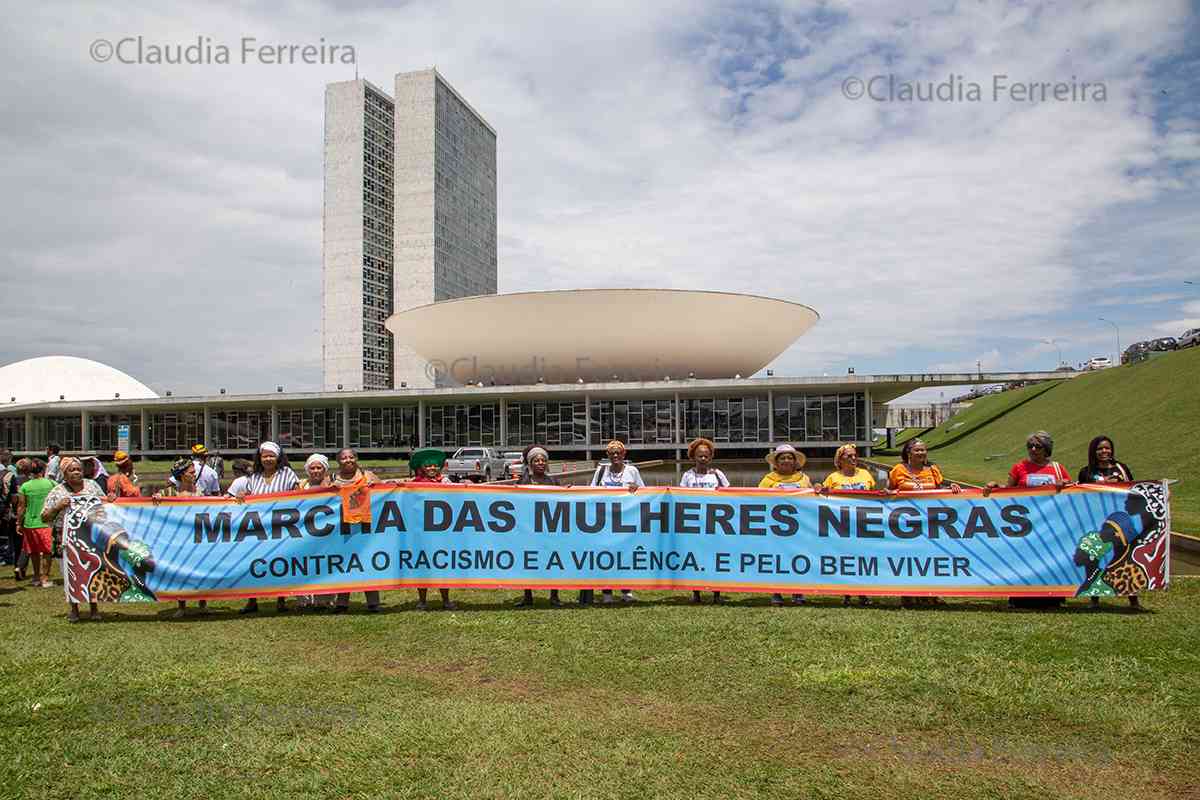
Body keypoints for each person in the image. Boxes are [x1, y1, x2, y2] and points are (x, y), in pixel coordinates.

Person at [985, 431, 1071, 609]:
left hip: (1050, 524)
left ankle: (1053, 597)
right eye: (1030, 446)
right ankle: (1020, 597)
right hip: (1023, 524)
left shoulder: (1057, 468)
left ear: (1046, 448)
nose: (1033, 449)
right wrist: (995, 487)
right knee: (1023, 558)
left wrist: (1064, 486)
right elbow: (1008, 491)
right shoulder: (1019, 467)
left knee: (1050, 558)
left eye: (1037, 446)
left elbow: (1072, 492)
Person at [235, 442, 300, 615]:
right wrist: (243, 496)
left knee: (281, 561)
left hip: (281, 526)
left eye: (272, 456)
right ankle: (252, 600)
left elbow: (298, 494)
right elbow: (248, 497)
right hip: (258, 527)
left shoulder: (287, 473)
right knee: (254, 561)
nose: (268, 459)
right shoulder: (254, 477)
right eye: (265, 456)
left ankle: (281, 599)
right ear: (260, 458)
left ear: (278, 457)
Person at [40, 457, 106, 621]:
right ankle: (74, 609)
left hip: (90, 537)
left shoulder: (92, 486)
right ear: (64, 474)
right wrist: (58, 506)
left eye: (78, 469)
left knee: (92, 571)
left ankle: (94, 609)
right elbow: (44, 516)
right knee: (70, 574)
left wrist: (110, 499)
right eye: (72, 470)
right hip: (66, 539)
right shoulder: (58, 492)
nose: (76, 472)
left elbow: (105, 505)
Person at [1076, 436, 1138, 609]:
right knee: (1095, 557)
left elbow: (1133, 490)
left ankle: (1133, 599)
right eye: (1100, 449)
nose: (1104, 451)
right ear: (1093, 452)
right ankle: (1095, 599)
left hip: (1120, 519)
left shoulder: (1121, 469)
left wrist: (1160, 494)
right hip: (1095, 520)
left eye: (1107, 448)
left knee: (1125, 556)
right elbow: (1079, 494)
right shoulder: (1086, 472)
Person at [820, 444, 877, 607]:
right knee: (845, 558)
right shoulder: (833, 478)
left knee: (863, 558)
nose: (853, 458)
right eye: (848, 456)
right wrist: (818, 488)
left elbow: (875, 494)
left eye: (855, 455)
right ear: (840, 459)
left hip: (863, 523)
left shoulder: (866, 474)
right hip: (842, 525)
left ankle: (864, 593)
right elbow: (822, 495)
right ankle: (846, 592)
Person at [590, 440, 644, 605]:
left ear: (623, 454)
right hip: (605, 520)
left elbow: (644, 491)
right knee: (606, 556)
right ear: (607, 455)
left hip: (626, 520)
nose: (615, 456)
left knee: (625, 556)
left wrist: (636, 489)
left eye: (618, 453)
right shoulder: (601, 471)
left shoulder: (632, 470)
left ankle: (626, 591)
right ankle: (607, 592)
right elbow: (590, 491)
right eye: (612, 453)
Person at [153, 459, 208, 617]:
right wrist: (156, 498)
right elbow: (155, 501)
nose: (194, 474)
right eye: (191, 472)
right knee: (181, 571)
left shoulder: (199, 492)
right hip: (178, 540)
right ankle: (182, 605)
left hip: (197, 537)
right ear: (182, 475)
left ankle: (202, 603)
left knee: (200, 569)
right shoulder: (169, 493)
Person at [759, 444, 811, 606]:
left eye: (790, 457)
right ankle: (776, 592)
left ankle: (798, 592)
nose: (786, 460)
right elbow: (757, 499)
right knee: (777, 559)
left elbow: (812, 501)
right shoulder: (768, 480)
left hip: (800, 528)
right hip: (776, 529)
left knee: (799, 558)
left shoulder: (804, 479)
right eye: (782, 458)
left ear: (795, 461)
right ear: (776, 462)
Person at [331, 449, 382, 614]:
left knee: (367, 562)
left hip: (365, 526)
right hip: (343, 528)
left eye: (351, 457)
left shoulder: (368, 476)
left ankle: (373, 602)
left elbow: (385, 493)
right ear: (338, 461)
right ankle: (342, 603)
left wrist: (373, 487)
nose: (348, 460)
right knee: (345, 564)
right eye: (344, 458)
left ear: (356, 458)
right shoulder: (332, 479)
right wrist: (332, 490)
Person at [680, 438, 728, 604]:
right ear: (693, 457)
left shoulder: (717, 474)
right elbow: (681, 497)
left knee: (715, 558)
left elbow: (730, 495)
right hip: (694, 524)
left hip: (715, 524)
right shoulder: (687, 476)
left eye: (706, 456)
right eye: (699, 456)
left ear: (710, 457)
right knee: (695, 558)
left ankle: (717, 593)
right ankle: (696, 593)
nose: (703, 459)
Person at [407, 448, 455, 611]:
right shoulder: (413, 485)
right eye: (428, 466)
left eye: (435, 466)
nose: (432, 469)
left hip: (443, 531)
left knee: (443, 565)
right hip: (421, 532)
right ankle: (422, 600)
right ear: (422, 468)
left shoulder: (446, 483)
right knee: (422, 565)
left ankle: (446, 599)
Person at [515, 446, 563, 608]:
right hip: (529, 530)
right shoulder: (523, 482)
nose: (540, 463)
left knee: (552, 562)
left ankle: (554, 596)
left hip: (550, 528)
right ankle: (527, 595)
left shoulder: (554, 481)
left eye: (543, 460)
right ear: (530, 463)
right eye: (536, 460)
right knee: (527, 562)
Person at [16, 459, 56, 589]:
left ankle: (36, 577)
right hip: (46, 523)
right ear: (43, 470)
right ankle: (45, 578)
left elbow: (21, 507)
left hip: (29, 523)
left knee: (33, 552)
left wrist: (18, 523)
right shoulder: (51, 483)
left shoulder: (25, 486)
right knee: (47, 552)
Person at [888, 439, 962, 492]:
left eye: (923, 450)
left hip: (929, 511)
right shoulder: (899, 469)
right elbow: (889, 491)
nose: (920, 453)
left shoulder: (932, 469)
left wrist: (950, 488)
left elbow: (939, 490)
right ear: (909, 453)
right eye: (917, 450)